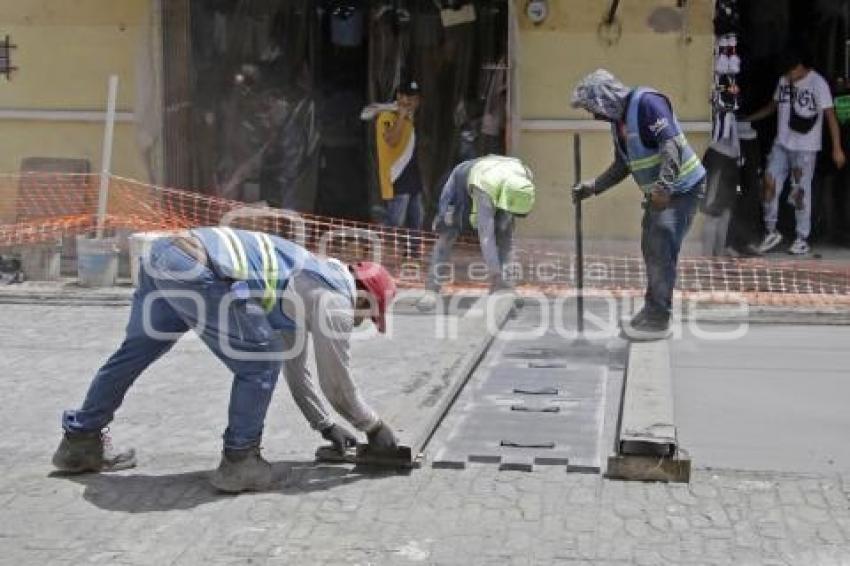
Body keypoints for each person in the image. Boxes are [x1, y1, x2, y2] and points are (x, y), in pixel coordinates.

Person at [52, 228, 400, 493]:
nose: (360, 323)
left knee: (136, 352)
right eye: (367, 316)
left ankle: (80, 442)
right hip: (199, 267)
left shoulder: (307, 279)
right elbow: (337, 385)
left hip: (166, 255)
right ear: (364, 295)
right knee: (260, 361)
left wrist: (324, 425)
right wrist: (375, 427)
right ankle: (240, 461)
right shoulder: (335, 300)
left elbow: (298, 370)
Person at [570, 69, 706, 341]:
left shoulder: (646, 103)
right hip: (662, 194)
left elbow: (670, 146)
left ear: (605, 98)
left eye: (593, 108)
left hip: (681, 190)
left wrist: (664, 187)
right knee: (651, 248)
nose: (594, 116)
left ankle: (659, 318)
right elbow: (624, 164)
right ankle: (653, 308)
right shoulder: (618, 122)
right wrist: (594, 187)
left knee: (660, 246)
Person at [747, 52, 846, 255]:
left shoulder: (818, 83)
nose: (789, 76)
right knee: (769, 181)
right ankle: (771, 230)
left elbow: (831, 117)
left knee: (799, 191)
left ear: (801, 66)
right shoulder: (784, 80)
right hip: (782, 144)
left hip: (805, 149)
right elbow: (773, 107)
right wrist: (749, 118)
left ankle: (802, 238)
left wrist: (837, 148)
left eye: (792, 71)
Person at [416, 154, 535, 311]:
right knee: (447, 235)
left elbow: (507, 239)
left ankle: (505, 289)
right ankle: (431, 290)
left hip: (494, 183)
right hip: (463, 186)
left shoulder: (525, 180)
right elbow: (486, 237)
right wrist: (495, 273)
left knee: (505, 236)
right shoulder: (485, 190)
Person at [376, 80, 425, 230]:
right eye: (407, 97)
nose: (411, 102)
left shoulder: (411, 119)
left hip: (413, 179)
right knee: (395, 223)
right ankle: (377, 243)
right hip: (397, 179)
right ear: (398, 96)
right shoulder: (387, 117)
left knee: (416, 220)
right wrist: (401, 117)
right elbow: (391, 140)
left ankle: (413, 252)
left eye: (415, 98)